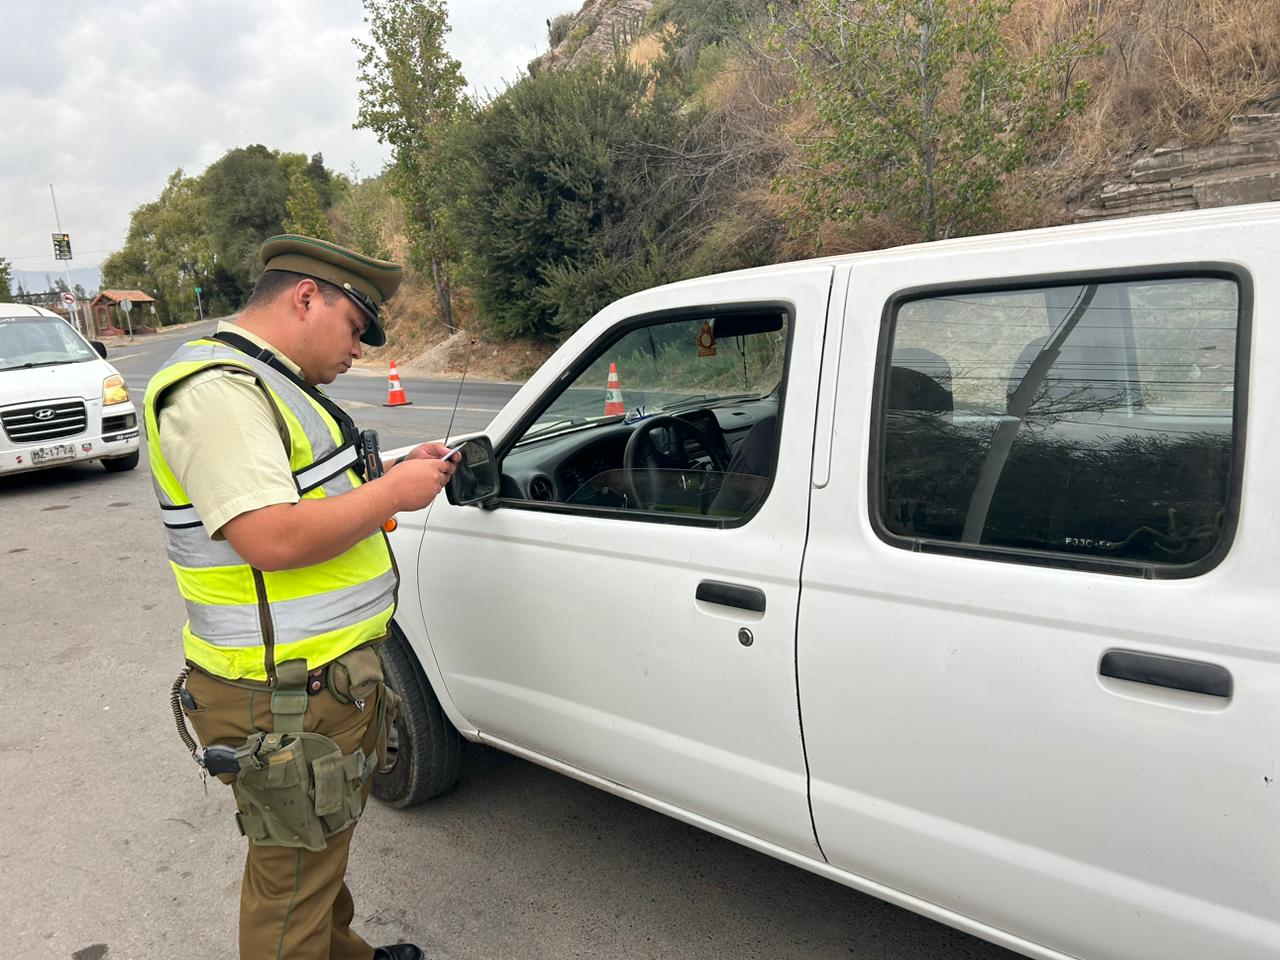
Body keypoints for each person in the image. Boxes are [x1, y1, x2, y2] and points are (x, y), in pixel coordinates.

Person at [144, 235, 457, 960]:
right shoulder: (220, 391)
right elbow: (271, 537)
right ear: (306, 296)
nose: (361, 349)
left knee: (315, 855)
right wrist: (391, 493)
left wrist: (389, 472)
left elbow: (307, 487)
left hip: (316, 678)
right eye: (356, 327)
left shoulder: (270, 384)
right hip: (283, 689)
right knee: (290, 886)